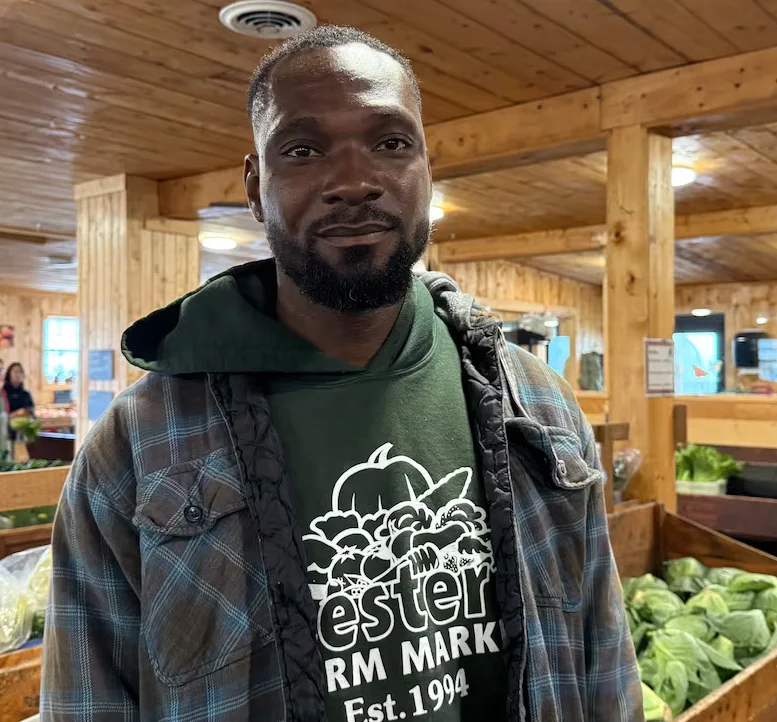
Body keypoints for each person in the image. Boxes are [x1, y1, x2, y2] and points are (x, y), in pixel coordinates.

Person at [41, 26, 640, 722]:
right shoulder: (139, 446)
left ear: (426, 168)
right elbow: (86, 703)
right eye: (303, 149)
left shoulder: (537, 404)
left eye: (390, 143)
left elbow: (604, 662)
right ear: (257, 188)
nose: (354, 181)